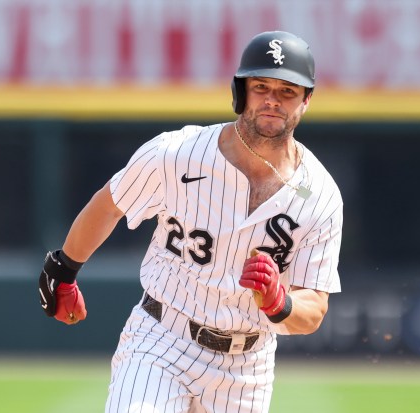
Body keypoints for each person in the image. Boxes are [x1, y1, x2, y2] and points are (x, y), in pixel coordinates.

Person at [38, 30, 343, 413]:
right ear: (241, 91)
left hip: (247, 366)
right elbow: (110, 204)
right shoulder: (178, 153)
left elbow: (313, 308)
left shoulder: (320, 195)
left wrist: (280, 303)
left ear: (306, 100)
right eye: (261, 85)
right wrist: (63, 268)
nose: (272, 100)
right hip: (162, 337)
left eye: (287, 91)